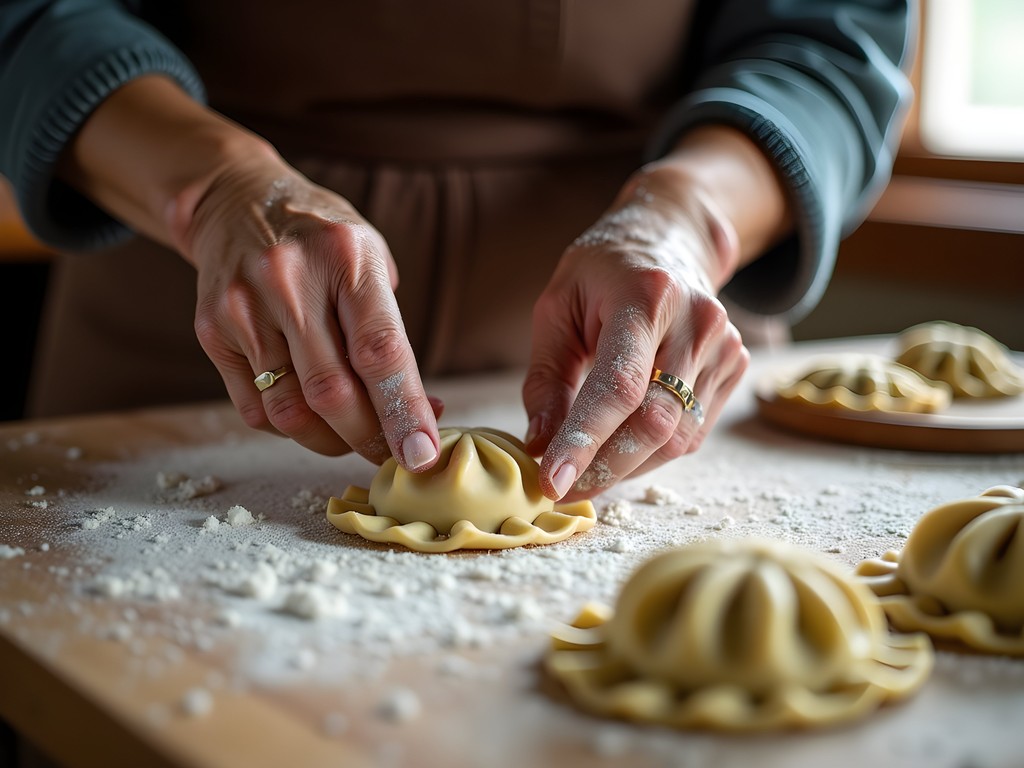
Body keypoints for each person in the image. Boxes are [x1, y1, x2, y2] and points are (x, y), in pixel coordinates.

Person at [0, 1, 915, 502]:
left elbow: (830, 44)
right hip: (208, 322)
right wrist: (217, 189)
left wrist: (684, 223)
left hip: (647, 346)